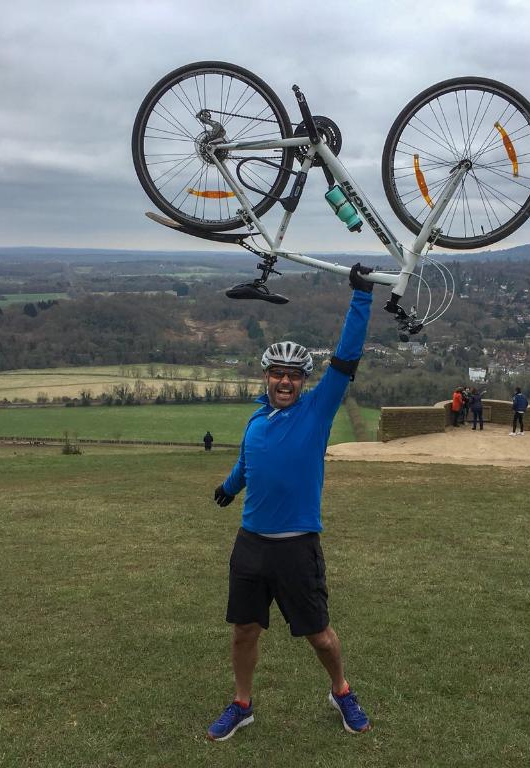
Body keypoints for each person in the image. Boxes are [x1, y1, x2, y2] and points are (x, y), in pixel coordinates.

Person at [207, 263, 375, 742]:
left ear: (304, 381)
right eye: (278, 374)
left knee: (319, 635)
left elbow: (345, 358)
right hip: (251, 545)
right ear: (266, 376)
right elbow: (249, 462)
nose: (285, 382)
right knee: (244, 630)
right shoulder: (256, 421)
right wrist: (229, 487)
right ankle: (242, 704)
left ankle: (341, 691)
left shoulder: (316, 412)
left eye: (294, 376)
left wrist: (362, 297)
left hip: (297, 547)